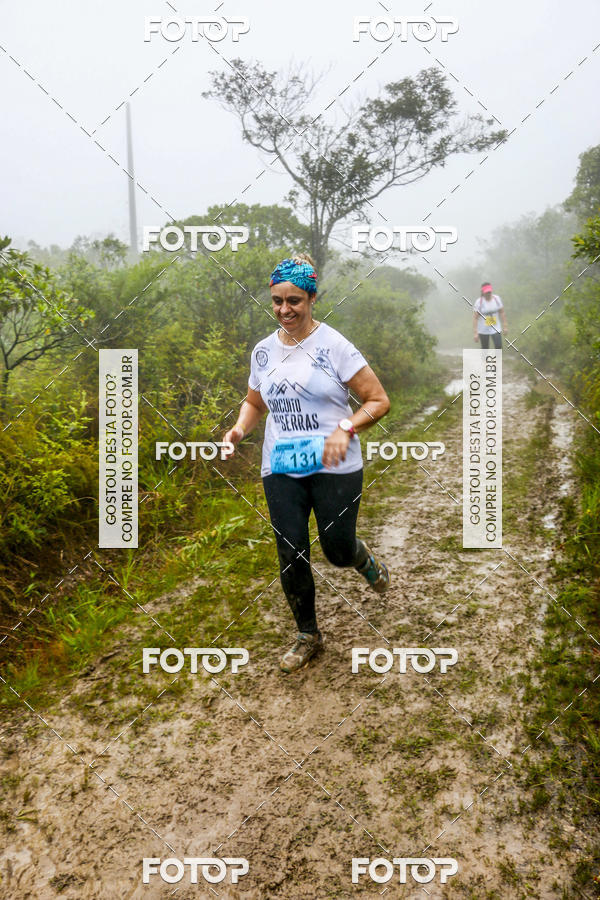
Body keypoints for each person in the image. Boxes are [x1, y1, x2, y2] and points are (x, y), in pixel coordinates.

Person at [223, 253, 391, 674]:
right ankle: (307, 635)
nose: (284, 310)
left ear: (313, 298)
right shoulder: (263, 352)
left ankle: (361, 558)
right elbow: (254, 402)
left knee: (336, 551)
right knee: (291, 550)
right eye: (277, 300)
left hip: (335, 464)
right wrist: (240, 430)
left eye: (294, 300)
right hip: (281, 465)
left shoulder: (334, 345)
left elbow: (378, 400)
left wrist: (345, 428)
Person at [472, 281, 508, 349]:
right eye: (486, 292)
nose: (488, 294)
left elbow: (502, 312)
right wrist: (475, 333)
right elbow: (475, 318)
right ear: (482, 292)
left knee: (498, 346)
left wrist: (505, 326)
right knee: (485, 348)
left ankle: (497, 359)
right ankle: (485, 359)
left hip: (496, 327)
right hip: (483, 329)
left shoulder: (496, 299)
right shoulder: (479, 302)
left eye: (489, 292)